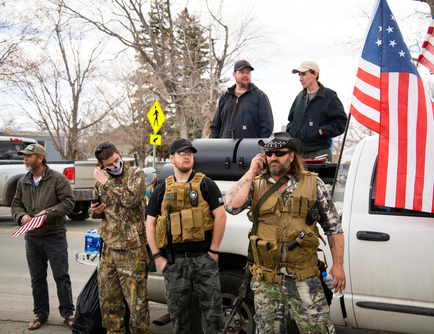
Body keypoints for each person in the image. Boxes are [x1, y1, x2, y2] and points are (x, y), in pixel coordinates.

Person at [224, 132, 346, 334]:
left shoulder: (314, 184)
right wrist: (252, 171)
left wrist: (338, 265)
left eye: (279, 153)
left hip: (304, 277)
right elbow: (231, 206)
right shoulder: (255, 184)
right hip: (266, 280)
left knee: (318, 330)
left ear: (292, 156)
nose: (273, 157)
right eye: (269, 153)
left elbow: (333, 227)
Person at [146, 138, 227, 334]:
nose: (187, 156)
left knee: (214, 315)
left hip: (203, 260)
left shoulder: (206, 184)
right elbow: (150, 222)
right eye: (182, 153)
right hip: (175, 263)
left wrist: (213, 251)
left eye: (190, 153)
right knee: (178, 317)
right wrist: (158, 257)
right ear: (171, 158)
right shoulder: (162, 188)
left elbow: (220, 216)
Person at [11, 143, 75, 330]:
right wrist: (21, 216)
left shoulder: (58, 179)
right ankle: (40, 314)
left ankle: (68, 313)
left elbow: (68, 203)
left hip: (54, 236)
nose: (25, 159)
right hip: (31, 237)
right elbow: (16, 205)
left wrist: (48, 213)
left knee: (61, 276)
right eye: (24, 156)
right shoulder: (23, 181)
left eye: (28, 156)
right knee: (37, 278)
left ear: (40, 158)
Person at [89, 142, 151, 334]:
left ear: (119, 154)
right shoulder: (100, 179)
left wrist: (106, 182)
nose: (115, 165)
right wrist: (95, 211)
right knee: (109, 302)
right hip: (109, 249)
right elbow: (98, 210)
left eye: (116, 160)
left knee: (138, 306)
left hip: (133, 250)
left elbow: (130, 200)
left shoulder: (136, 174)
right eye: (109, 164)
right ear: (101, 165)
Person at [286, 60, 347, 159]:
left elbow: (341, 122)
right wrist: (292, 131)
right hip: (298, 154)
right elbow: (291, 121)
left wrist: (321, 131)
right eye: (299, 75)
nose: (300, 79)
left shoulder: (329, 96)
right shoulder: (299, 98)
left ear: (315, 74)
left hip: (320, 154)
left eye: (304, 74)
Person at [210, 59, 274, 139]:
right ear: (234, 74)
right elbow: (215, 126)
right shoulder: (225, 97)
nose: (245, 75)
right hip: (225, 147)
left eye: (248, 73)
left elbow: (267, 126)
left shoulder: (260, 96)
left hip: (250, 148)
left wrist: (260, 147)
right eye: (242, 72)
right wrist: (217, 145)